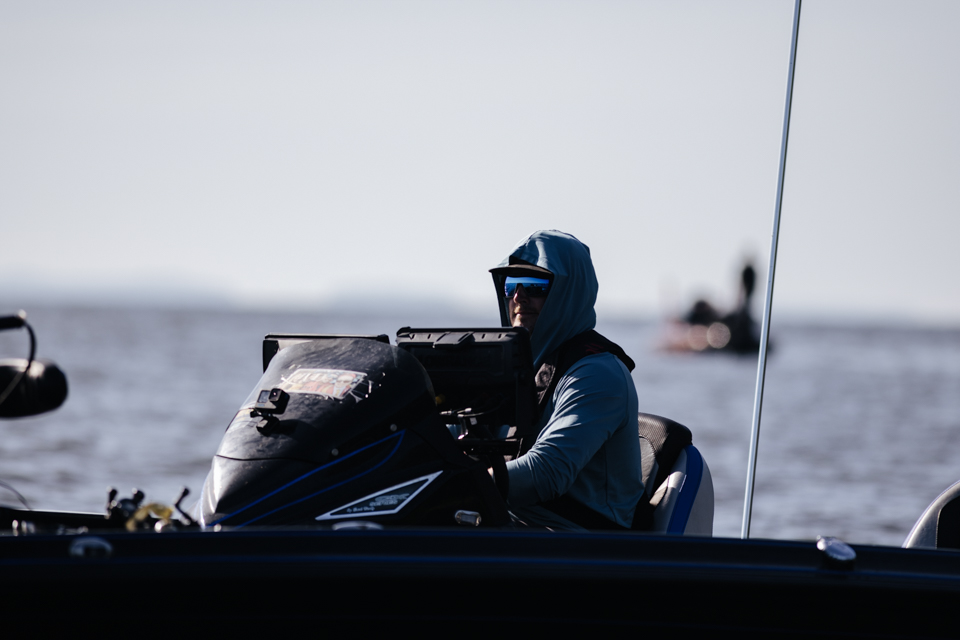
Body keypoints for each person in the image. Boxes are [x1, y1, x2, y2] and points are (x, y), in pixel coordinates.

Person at [489, 230, 644, 531]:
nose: (519, 297)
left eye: (534, 285)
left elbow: (547, 472)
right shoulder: (515, 368)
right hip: (509, 524)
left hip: (578, 544)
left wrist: (459, 484)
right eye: (511, 285)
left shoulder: (598, 374)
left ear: (568, 292)